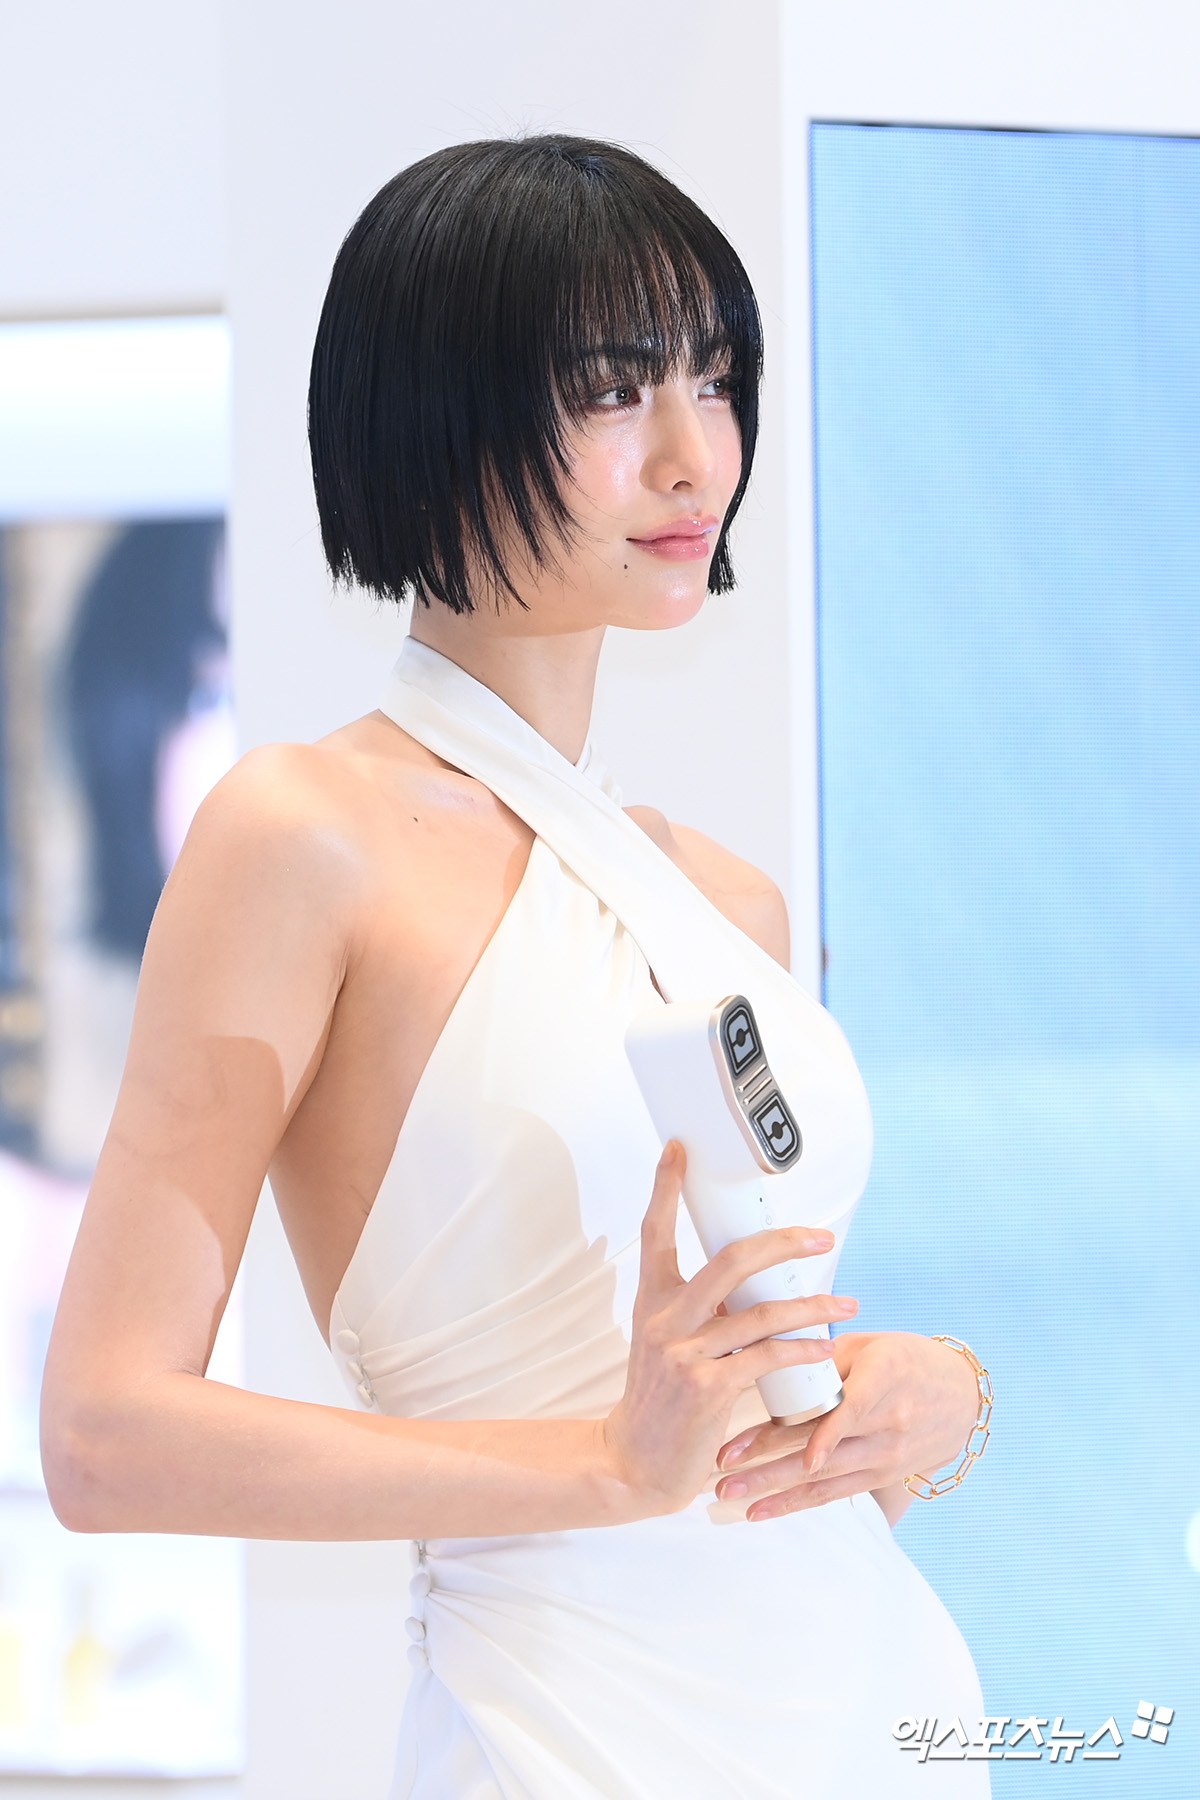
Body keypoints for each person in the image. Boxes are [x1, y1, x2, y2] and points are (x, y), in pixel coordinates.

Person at [42, 136, 990, 1797]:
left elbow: (746, 1428)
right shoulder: (300, 837)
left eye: (715, 380)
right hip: (563, 1737)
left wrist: (931, 1403)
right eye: (616, 391)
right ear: (440, 413)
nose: (696, 456)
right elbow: (104, 1435)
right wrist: (605, 1464)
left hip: (871, 1722)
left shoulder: (729, 903)